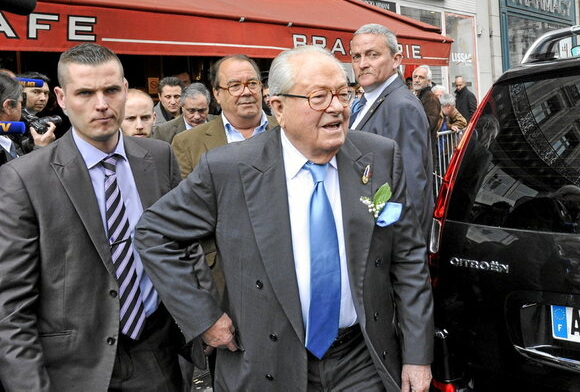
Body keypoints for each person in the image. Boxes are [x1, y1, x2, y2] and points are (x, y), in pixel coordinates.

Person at [135, 45, 434, 391]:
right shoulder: (229, 169)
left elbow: (409, 258)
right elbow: (154, 233)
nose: (337, 107)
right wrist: (203, 317)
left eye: (342, 93)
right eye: (319, 97)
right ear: (278, 106)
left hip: (360, 359)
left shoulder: (379, 157)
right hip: (267, 360)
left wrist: (417, 354)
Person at [0, 43, 185, 390]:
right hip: (73, 368)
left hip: (156, 354)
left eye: (111, 90)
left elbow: (180, 249)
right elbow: (10, 307)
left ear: (126, 91)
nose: (101, 104)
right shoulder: (24, 179)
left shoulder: (159, 157)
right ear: (62, 97)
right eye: (85, 92)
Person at [349, 24, 434, 239]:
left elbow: (411, 190)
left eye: (372, 55)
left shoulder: (400, 106)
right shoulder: (369, 100)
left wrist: (405, 261)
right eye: (356, 56)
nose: (362, 64)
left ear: (396, 60)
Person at [171, 54, 276, 179]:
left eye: (252, 83)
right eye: (235, 86)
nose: (247, 92)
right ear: (217, 94)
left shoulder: (288, 130)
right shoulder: (187, 143)